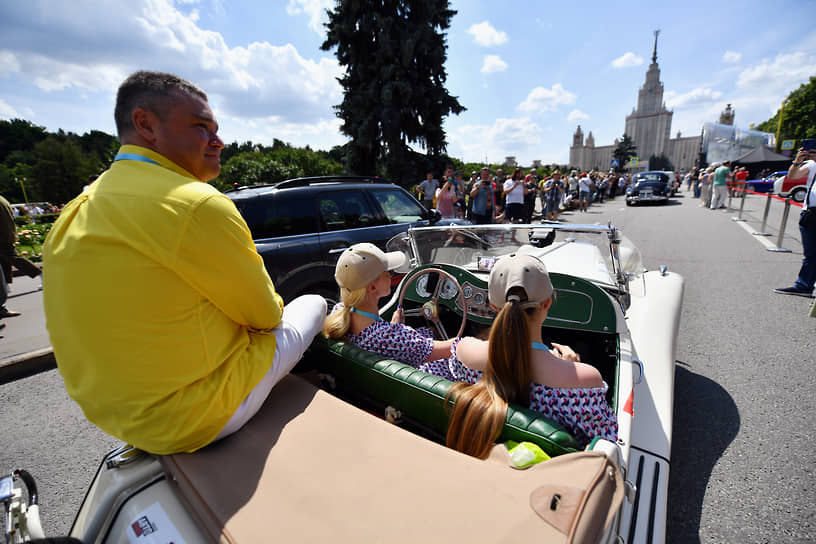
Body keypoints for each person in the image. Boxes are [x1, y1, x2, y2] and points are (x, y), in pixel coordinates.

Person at [42, 71, 327, 455]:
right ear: (145, 125)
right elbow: (266, 317)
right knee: (313, 303)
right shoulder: (197, 203)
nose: (218, 141)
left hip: (115, 416)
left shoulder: (75, 210)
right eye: (200, 127)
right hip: (197, 417)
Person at [443, 253, 617, 458]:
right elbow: (606, 442)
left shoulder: (465, 353)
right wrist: (570, 368)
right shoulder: (585, 381)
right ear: (547, 304)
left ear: (493, 307)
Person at [323, 243, 455, 378]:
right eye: (387, 273)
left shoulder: (338, 312)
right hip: (416, 378)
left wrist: (394, 328)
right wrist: (476, 337)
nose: (391, 276)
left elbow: (390, 340)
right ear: (372, 287)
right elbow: (452, 348)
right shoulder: (392, 338)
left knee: (429, 331)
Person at [774, 143, 816, 297]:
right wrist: (797, 161)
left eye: (813, 152)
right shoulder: (811, 165)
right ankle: (804, 286)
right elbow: (792, 176)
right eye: (809, 151)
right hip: (810, 213)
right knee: (810, 253)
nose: (810, 154)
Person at [1, 194, 42, 318]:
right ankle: (5, 288)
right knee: (5, 263)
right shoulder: (2, 199)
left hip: (2, 237)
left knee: (13, 259)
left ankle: (39, 273)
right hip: (6, 235)